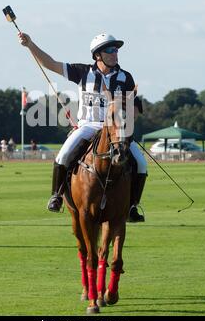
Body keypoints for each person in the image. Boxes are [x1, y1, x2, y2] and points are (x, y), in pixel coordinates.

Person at [19, 32, 147, 222]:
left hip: (115, 131)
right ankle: (56, 196)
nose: (115, 53)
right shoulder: (82, 72)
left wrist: (124, 124)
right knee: (63, 155)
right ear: (98, 55)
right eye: (110, 50)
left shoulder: (125, 77)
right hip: (88, 126)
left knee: (142, 164)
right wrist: (30, 44)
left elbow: (135, 109)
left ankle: (132, 207)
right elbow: (50, 64)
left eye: (116, 50)